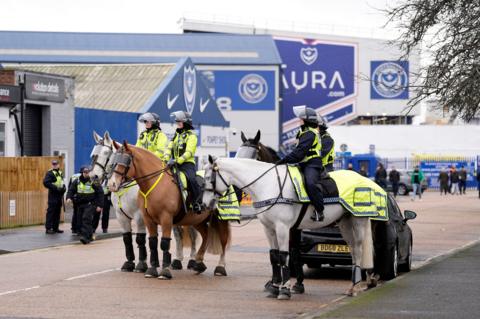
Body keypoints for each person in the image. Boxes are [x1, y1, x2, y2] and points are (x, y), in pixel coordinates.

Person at [275, 106, 325, 222]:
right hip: (303, 163)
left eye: (301, 119)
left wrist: (283, 160)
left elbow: (299, 153)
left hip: (312, 164)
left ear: (306, 121)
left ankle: (319, 211)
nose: (299, 120)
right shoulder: (303, 133)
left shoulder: (310, 134)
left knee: (310, 183)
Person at [165, 110, 203, 213]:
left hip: (187, 164)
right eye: (177, 122)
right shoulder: (176, 135)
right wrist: (166, 158)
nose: (177, 124)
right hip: (174, 163)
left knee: (192, 180)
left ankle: (197, 203)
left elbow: (189, 152)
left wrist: (178, 161)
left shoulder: (192, 136)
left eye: (179, 122)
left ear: (186, 122)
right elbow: (169, 147)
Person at [66, 166, 103, 244]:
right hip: (80, 204)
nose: (86, 174)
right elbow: (71, 190)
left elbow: (100, 192)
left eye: (88, 172)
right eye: (85, 172)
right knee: (80, 221)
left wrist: (100, 205)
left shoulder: (94, 181)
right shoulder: (77, 180)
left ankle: (85, 237)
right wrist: (69, 197)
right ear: (82, 173)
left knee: (86, 218)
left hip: (90, 204)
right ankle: (90, 236)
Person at [43, 159, 66, 234]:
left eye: (56, 164)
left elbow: (61, 182)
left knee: (57, 212)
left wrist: (63, 188)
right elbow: (46, 182)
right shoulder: (50, 173)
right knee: (51, 212)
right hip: (53, 195)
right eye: (53, 164)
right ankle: (48, 228)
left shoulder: (60, 172)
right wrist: (56, 188)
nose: (55, 165)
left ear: (59, 165)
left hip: (59, 196)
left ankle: (55, 228)